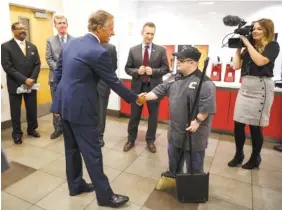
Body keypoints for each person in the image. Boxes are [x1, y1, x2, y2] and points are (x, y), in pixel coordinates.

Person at [51, 10, 145, 208]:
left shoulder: (70, 43)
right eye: (111, 28)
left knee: (72, 150)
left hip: (65, 107)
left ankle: (75, 185)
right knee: (93, 153)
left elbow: (58, 75)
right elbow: (113, 81)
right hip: (82, 110)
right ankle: (105, 197)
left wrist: (56, 104)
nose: (113, 32)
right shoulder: (98, 51)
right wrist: (135, 99)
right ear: (100, 28)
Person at [144, 47, 216, 174]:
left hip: (193, 134)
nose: (177, 62)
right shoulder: (174, 77)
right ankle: (174, 179)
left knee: (194, 169)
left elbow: (207, 107)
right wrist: (142, 97)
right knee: (174, 164)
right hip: (175, 132)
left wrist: (197, 121)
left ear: (192, 63)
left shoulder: (205, 83)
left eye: (181, 60)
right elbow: (160, 90)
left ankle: (193, 190)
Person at [228, 19, 280, 169]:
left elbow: (261, 62)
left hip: (261, 88)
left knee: (255, 126)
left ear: (267, 31)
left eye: (259, 29)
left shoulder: (272, 45)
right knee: (238, 123)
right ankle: (239, 154)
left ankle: (255, 157)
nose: (255, 31)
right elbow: (236, 66)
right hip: (245, 87)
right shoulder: (248, 48)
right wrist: (238, 47)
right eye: (254, 29)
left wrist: (248, 44)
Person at [124, 22, 169, 153]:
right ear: (142, 33)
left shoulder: (161, 50)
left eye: (152, 34)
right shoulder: (133, 50)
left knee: (153, 116)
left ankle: (150, 141)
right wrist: (137, 71)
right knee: (134, 116)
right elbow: (127, 68)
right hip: (137, 88)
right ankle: (131, 140)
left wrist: (153, 71)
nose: (149, 36)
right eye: (147, 33)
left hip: (154, 89)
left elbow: (166, 68)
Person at [1, 22, 41, 144]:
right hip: (15, 84)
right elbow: (8, 67)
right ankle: (17, 134)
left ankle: (32, 129)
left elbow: (37, 64)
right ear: (13, 30)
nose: (23, 30)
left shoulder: (32, 47)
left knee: (32, 109)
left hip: (31, 84)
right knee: (15, 111)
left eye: (24, 28)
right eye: (19, 29)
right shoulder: (6, 46)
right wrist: (24, 79)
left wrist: (32, 79)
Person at [46, 15, 74, 140]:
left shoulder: (74, 40)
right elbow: (49, 58)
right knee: (56, 104)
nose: (62, 25)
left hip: (71, 79)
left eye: (63, 22)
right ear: (55, 26)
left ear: (67, 24)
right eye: (59, 23)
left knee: (70, 103)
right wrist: (60, 70)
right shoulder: (50, 40)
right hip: (55, 78)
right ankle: (57, 128)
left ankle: (70, 127)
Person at [97, 43, 118, 147]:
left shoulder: (110, 48)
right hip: (87, 86)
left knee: (101, 112)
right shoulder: (86, 44)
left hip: (103, 85)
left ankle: (99, 136)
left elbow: (113, 67)